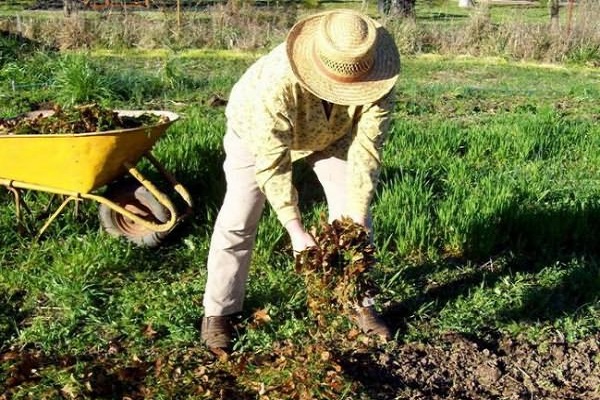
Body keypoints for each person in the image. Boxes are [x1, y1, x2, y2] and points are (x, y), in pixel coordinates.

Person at [201, 8, 400, 352]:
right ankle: (219, 312)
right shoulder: (272, 88)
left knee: (357, 221)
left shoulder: (375, 74)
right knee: (240, 215)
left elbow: (367, 152)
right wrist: (296, 231)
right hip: (257, 135)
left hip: (333, 136)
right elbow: (272, 165)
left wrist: (355, 211)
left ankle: (359, 302)